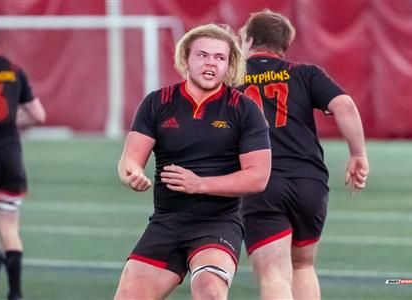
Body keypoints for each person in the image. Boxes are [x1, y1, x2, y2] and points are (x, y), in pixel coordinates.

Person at [115, 23, 271, 299]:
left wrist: (200, 184)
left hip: (218, 223)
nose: (211, 63)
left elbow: (258, 177)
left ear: (229, 64)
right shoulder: (158, 102)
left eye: (219, 57)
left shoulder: (244, 109)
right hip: (166, 222)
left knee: (209, 290)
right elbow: (130, 159)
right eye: (202, 55)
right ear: (185, 58)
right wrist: (133, 173)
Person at [237, 10, 369, 300]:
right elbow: (345, 105)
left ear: (248, 39)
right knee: (303, 265)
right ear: (285, 44)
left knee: (273, 273)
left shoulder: (232, 78)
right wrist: (358, 154)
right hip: (309, 181)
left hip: (261, 181)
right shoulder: (305, 73)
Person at [0, 13, 46, 300]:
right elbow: (39, 116)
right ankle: (15, 293)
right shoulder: (13, 69)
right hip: (11, 155)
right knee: (9, 226)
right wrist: (11, 123)